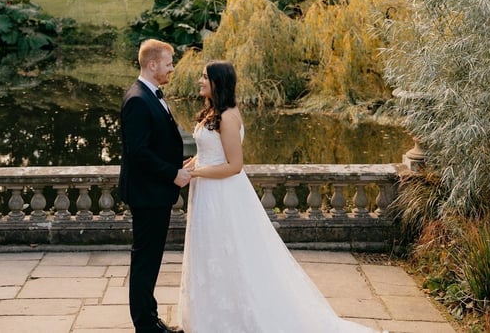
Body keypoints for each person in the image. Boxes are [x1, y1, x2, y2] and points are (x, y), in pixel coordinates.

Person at [178, 60, 382, 333]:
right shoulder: (212, 111)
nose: (200, 80)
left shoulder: (227, 117)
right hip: (206, 191)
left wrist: (198, 172)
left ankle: (237, 318)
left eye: (204, 77)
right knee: (210, 251)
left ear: (218, 81)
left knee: (229, 251)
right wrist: (195, 162)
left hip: (222, 194)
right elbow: (211, 151)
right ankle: (210, 315)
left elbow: (234, 166)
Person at [119, 39, 191, 333]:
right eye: (169, 63)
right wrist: (171, 174)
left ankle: (150, 318)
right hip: (148, 193)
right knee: (146, 261)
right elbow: (138, 152)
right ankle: (146, 325)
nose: (172, 69)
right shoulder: (138, 99)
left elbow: (157, 143)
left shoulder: (150, 95)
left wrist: (181, 163)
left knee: (149, 259)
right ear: (152, 65)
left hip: (153, 192)